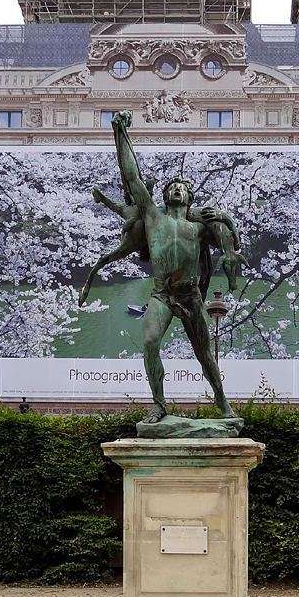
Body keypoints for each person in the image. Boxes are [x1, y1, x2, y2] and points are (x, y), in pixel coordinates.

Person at [110, 109, 243, 424]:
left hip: (190, 295)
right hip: (161, 294)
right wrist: (120, 133)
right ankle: (159, 404)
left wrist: (226, 217)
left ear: (190, 196)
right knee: (150, 342)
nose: (176, 189)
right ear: (166, 195)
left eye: (182, 187)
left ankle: (223, 404)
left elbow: (232, 246)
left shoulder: (199, 226)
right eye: (172, 187)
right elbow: (131, 175)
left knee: (204, 355)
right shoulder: (154, 217)